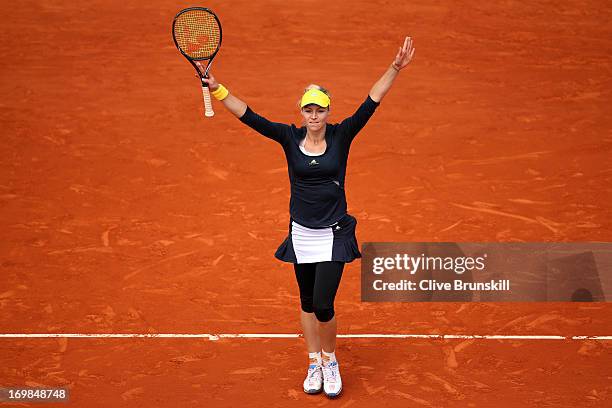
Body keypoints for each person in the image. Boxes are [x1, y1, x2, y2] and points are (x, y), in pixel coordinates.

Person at [197, 36, 415, 399]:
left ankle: (331, 360)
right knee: (307, 303)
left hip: (333, 234)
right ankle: (313, 360)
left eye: (320, 111)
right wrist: (218, 89)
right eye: (309, 110)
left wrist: (394, 67)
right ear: (302, 111)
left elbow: (372, 101)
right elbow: (248, 115)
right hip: (301, 233)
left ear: (329, 112)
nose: (314, 117)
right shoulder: (287, 136)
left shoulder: (343, 134)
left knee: (325, 304)